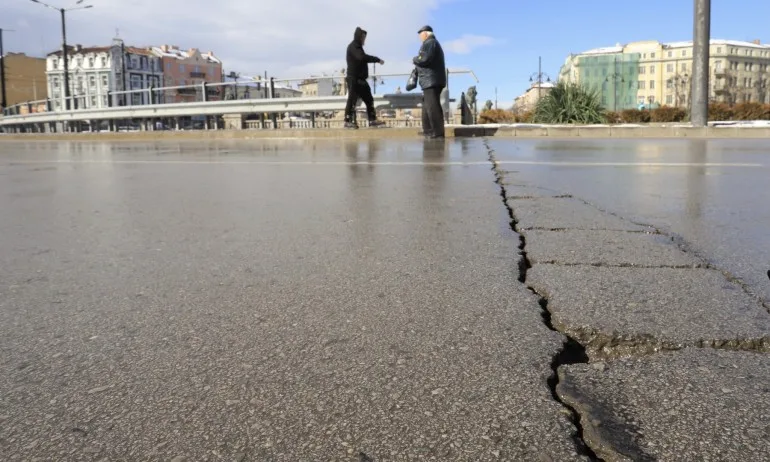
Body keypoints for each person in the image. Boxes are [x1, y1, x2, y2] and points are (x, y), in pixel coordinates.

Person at [345, 27, 386, 129]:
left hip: (361, 79)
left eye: (364, 38)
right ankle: (347, 121)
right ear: (358, 37)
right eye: (363, 38)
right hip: (353, 79)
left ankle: (372, 120)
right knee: (352, 100)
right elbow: (362, 57)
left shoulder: (358, 46)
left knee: (369, 99)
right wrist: (377, 59)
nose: (364, 40)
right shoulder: (353, 46)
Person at [413, 25, 446, 138]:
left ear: (426, 33)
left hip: (432, 80)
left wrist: (415, 59)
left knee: (432, 106)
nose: (420, 37)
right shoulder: (431, 43)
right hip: (430, 80)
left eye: (420, 34)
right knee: (427, 106)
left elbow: (425, 59)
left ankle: (438, 132)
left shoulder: (430, 43)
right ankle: (428, 130)